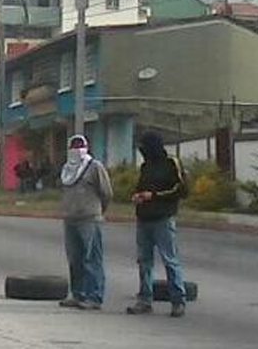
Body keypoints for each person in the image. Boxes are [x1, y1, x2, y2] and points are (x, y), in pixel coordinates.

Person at [126, 131, 188, 318]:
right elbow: (141, 186)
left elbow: (182, 189)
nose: (143, 149)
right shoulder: (146, 166)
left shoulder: (171, 163)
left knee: (170, 260)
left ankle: (178, 300)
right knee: (144, 261)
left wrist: (154, 196)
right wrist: (137, 196)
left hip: (163, 218)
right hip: (144, 218)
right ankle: (144, 300)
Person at [59, 135, 113, 311]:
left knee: (92, 258)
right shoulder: (67, 170)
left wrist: (97, 211)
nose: (76, 149)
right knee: (75, 259)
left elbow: (106, 192)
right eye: (73, 146)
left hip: (89, 219)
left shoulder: (94, 167)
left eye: (80, 145)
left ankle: (94, 296)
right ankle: (78, 294)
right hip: (70, 219)